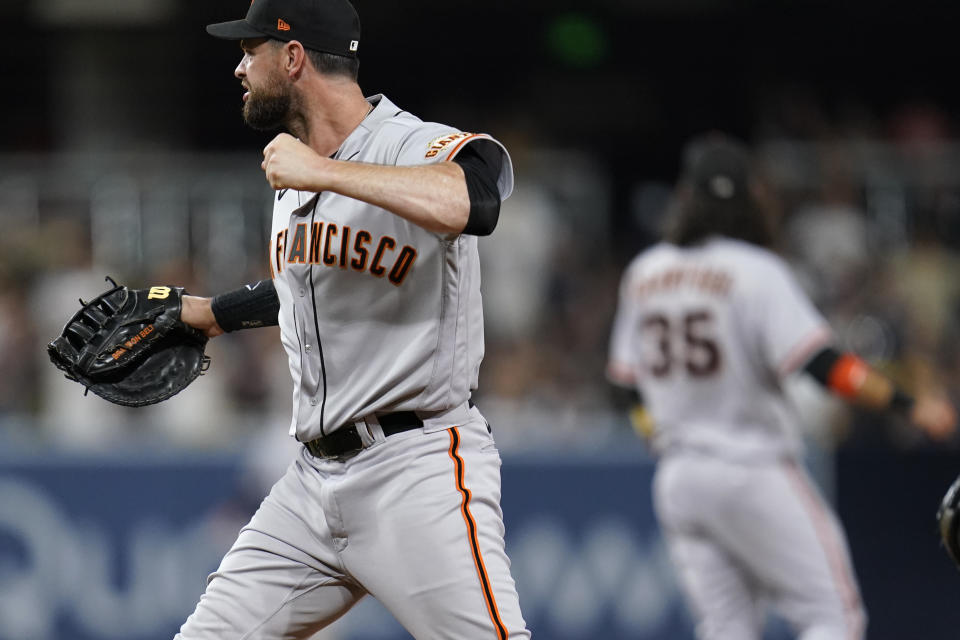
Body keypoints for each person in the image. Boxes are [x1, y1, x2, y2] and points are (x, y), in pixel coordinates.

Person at [174, 0, 529, 637]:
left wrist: (326, 172)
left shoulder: (406, 142)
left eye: (250, 51)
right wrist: (211, 316)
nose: (238, 68)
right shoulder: (296, 171)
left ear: (292, 57)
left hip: (415, 468)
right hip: (311, 481)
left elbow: (476, 202)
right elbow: (317, 290)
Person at [606, 133, 956, 640]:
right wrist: (908, 404)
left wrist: (650, 428)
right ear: (751, 198)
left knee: (727, 628)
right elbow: (823, 365)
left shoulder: (645, 272)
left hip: (679, 478)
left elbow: (625, 385)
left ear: (685, 199)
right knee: (832, 616)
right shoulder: (756, 271)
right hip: (752, 468)